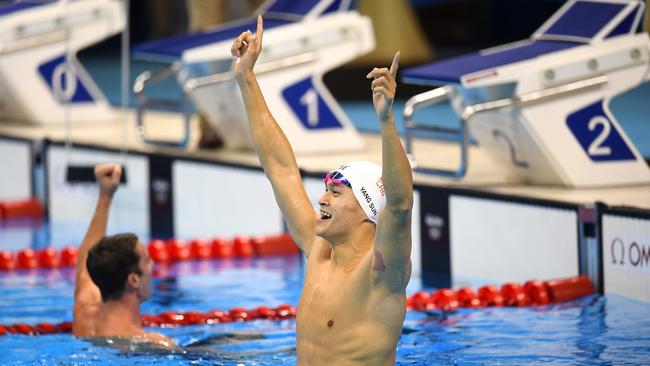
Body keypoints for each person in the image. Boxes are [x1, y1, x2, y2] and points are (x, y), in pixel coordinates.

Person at [231, 16, 413, 365]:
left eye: (336, 193)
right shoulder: (319, 252)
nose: (321, 199)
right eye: (326, 189)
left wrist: (387, 121)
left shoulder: (382, 273)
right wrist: (246, 78)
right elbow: (281, 170)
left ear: (367, 212)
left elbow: (401, 204)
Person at [72, 164, 174, 348]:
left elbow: (85, 274)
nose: (152, 265)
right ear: (133, 280)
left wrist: (105, 195)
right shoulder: (153, 344)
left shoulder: (84, 313)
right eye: (146, 262)